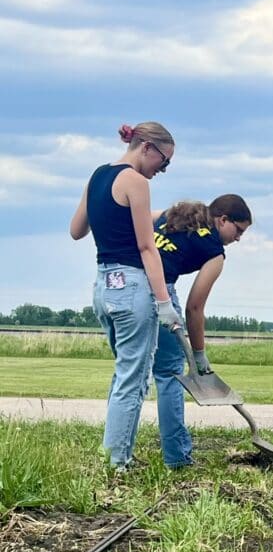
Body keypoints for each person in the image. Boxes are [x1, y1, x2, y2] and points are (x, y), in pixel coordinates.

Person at [70, 121, 178, 471]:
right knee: (134, 379)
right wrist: (165, 303)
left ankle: (112, 451)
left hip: (103, 286)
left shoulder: (98, 175)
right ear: (146, 147)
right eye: (163, 162)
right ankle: (118, 462)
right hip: (133, 287)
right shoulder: (136, 181)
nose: (161, 170)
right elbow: (148, 248)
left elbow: (76, 230)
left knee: (123, 374)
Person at [151, 195, 252, 467]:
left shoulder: (171, 215)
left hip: (126, 284)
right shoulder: (214, 252)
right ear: (222, 220)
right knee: (170, 375)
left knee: (131, 374)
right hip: (160, 293)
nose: (239, 238)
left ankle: (116, 455)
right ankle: (177, 458)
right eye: (238, 230)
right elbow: (194, 307)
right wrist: (198, 355)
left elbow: (140, 223)